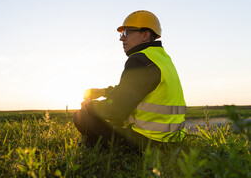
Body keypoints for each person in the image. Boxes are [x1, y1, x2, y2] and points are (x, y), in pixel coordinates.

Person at [73, 10, 186, 149]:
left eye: (127, 33)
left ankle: (94, 146)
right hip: (172, 140)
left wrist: (89, 106)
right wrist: (103, 92)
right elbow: (131, 90)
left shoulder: (140, 60)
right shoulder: (161, 58)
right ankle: (92, 144)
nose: (121, 38)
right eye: (122, 34)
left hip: (147, 142)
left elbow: (115, 110)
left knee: (80, 116)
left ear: (145, 35)